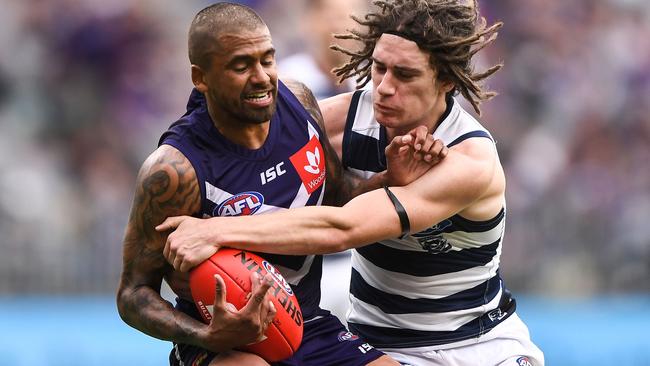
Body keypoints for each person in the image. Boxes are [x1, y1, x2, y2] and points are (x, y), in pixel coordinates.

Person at [157, 1, 545, 365]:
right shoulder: (348, 119)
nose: (384, 87)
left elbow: (344, 226)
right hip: (376, 343)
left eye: (405, 75)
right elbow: (242, 142)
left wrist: (214, 231)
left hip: (477, 344)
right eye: (379, 68)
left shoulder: (469, 160)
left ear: (446, 80)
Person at [116, 3, 443, 366]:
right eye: (241, 66)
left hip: (307, 323)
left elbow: (336, 197)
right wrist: (206, 335)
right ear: (201, 77)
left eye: (267, 60)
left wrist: (389, 179)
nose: (261, 77)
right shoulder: (174, 171)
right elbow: (133, 294)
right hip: (224, 346)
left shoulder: (300, 104)